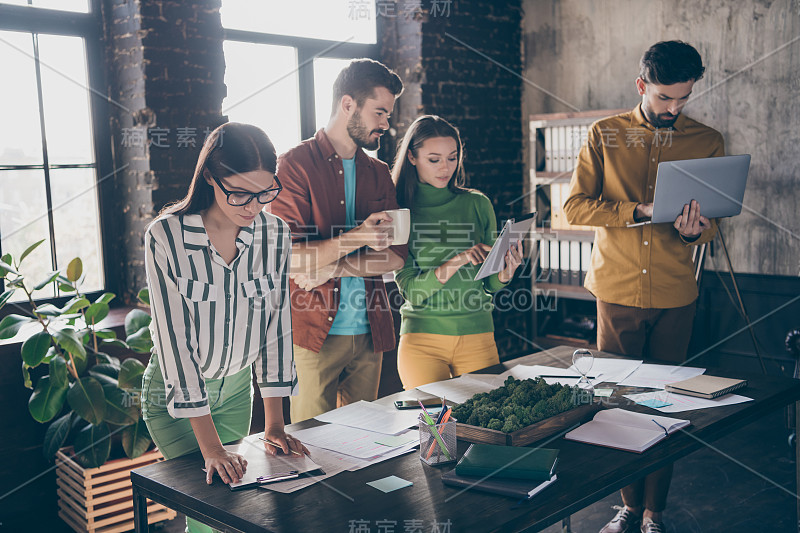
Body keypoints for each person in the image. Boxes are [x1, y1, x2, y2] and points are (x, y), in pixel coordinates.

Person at [563, 41, 724, 533]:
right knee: (619, 403)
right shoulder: (604, 135)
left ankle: (656, 513)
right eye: (664, 99)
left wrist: (697, 230)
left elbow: (714, 221)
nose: (674, 109)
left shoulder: (708, 140)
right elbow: (574, 208)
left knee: (667, 406)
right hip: (617, 290)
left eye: (683, 99)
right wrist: (638, 211)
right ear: (642, 86)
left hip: (677, 292)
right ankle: (629, 506)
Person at [141, 123, 308, 533]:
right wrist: (212, 448)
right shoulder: (167, 235)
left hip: (236, 393)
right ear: (210, 178)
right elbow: (174, 343)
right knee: (209, 508)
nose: (253, 206)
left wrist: (275, 425)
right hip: (175, 400)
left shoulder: (275, 234)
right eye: (239, 193)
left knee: (233, 513)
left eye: (266, 192)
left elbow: (275, 329)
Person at [270, 59, 407, 423]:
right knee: (309, 445)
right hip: (313, 337)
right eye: (379, 112)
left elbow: (395, 258)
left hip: (371, 333)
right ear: (348, 105)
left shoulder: (379, 174)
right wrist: (360, 236)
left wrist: (332, 267)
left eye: (388, 114)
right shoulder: (294, 166)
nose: (385, 124)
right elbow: (288, 259)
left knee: (366, 448)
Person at [391, 115, 523, 390]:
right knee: (432, 430)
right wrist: (458, 259)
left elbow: (489, 284)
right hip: (421, 340)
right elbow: (413, 291)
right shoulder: (400, 211)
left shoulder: (477, 203)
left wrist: (506, 273)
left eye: (452, 158)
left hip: (478, 334)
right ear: (413, 158)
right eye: (434, 159)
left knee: (487, 424)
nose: (445, 168)